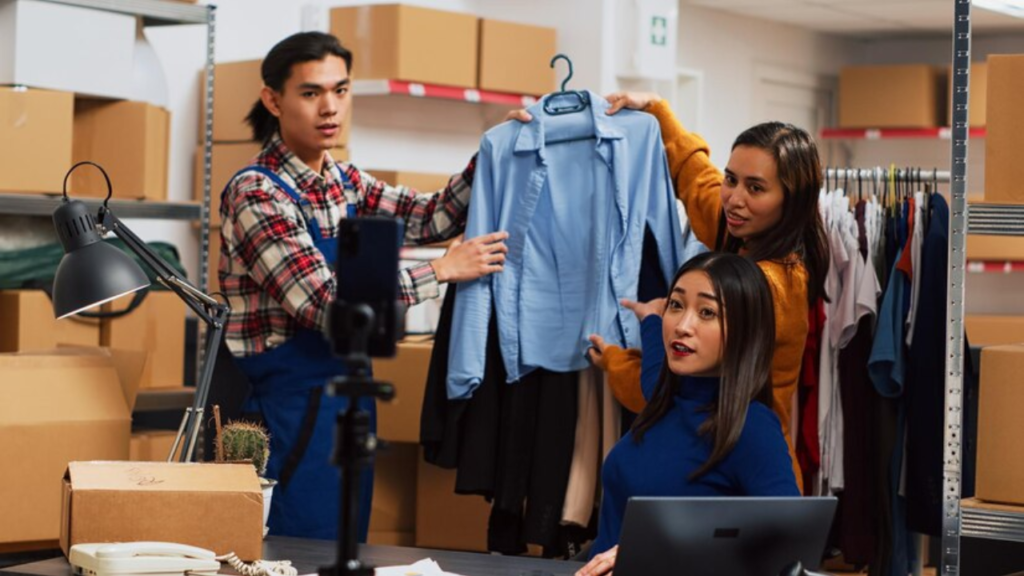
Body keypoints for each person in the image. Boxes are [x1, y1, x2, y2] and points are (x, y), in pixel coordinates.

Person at [218, 32, 506, 540]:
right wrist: (440, 270)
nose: (330, 107)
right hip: (282, 412)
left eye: (341, 90)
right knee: (287, 551)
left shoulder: (344, 181)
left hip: (343, 403)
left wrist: (494, 150)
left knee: (344, 542)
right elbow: (326, 304)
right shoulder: (256, 192)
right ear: (273, 99)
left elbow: (431, 216)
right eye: (310, 93)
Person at [513, 93, 830, 492]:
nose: (735, 198)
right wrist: (658, 111)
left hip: (735, 469)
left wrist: (628, 346)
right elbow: (700, 181)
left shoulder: (766, 284)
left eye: (756, 188)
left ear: (793, 199)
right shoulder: (745, 234)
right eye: (732, 180)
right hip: (715, 455)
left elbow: (666, 389)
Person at [577, 252, 800, 576]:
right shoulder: (664, 398)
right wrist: (650, 318)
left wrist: (653, 555)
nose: (682, 326)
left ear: (744, 330)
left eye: (707, 312)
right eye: (677, 305)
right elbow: (655, 362)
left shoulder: (750, 427)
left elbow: (790, 550)